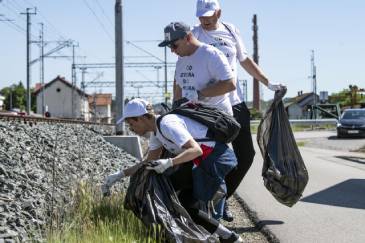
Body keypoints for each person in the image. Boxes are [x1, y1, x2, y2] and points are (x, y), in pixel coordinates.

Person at [187, 0, 286, 221]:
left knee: (246, 156)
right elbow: (183, 67)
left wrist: (267, 83)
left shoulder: (231, 30)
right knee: (213, 158)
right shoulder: (193, 34)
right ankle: (207, 206)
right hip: (208, 107)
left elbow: (244, 60)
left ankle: (223, 197)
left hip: (235, 103)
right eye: (201, 16)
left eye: (209, 15)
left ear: (219, 12)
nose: (205, 19)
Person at [102, 98, 243, 243]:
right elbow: (147, 163)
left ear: (141, 118)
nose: (131, 129)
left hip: (214, 158)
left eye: (131, 124)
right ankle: (230, 237)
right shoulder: (156, 132)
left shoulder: (167, 124)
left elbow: (196, 150)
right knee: (182, 202)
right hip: (201, 161)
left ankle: (218, 235)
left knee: (174, 196)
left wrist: (169, 162)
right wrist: (120, 174)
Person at [163, 22, 236, 116]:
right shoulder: (181, 60)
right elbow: (179, 89)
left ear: (187, 38)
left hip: (216, 118)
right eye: (169, 46)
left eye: (174, 45)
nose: (172, 50)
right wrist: (175, 108)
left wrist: (199, 95)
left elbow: (230, 84)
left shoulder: (211, 55)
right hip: (193, 117)